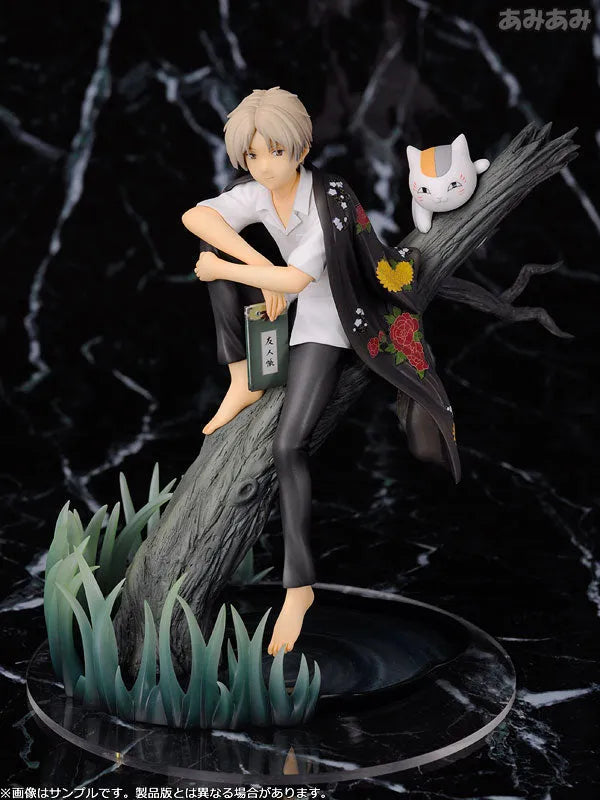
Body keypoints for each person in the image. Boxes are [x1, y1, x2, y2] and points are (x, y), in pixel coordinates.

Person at [182, 87, 461, 657]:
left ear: (302, 149)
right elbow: (196, 216)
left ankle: (299, 586)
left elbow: (297, 280)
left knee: (288, 445)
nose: (265, 166)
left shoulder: (329, 199)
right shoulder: (260, 191)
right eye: (252, 155)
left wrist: (239, 270)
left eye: (275, 152)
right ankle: (241, 376)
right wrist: (254, 264)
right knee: (218, 260)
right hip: (288, 303)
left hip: (335, 317)